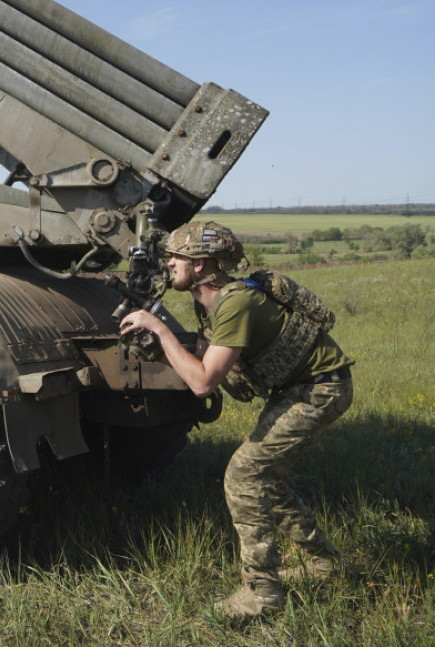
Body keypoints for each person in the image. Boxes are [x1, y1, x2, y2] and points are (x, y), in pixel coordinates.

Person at [119, 222, 353, 619]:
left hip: (320, 389)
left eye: (176, 257)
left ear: (200, 264)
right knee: (267, 479)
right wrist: (159, 351)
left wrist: (159, 328)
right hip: (302, 388)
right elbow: (211, 367)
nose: (168, 264)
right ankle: (324, 562)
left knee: (244, 476)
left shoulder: (235, 303)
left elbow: (202, 383)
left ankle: (262, 593)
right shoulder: (211, 304)